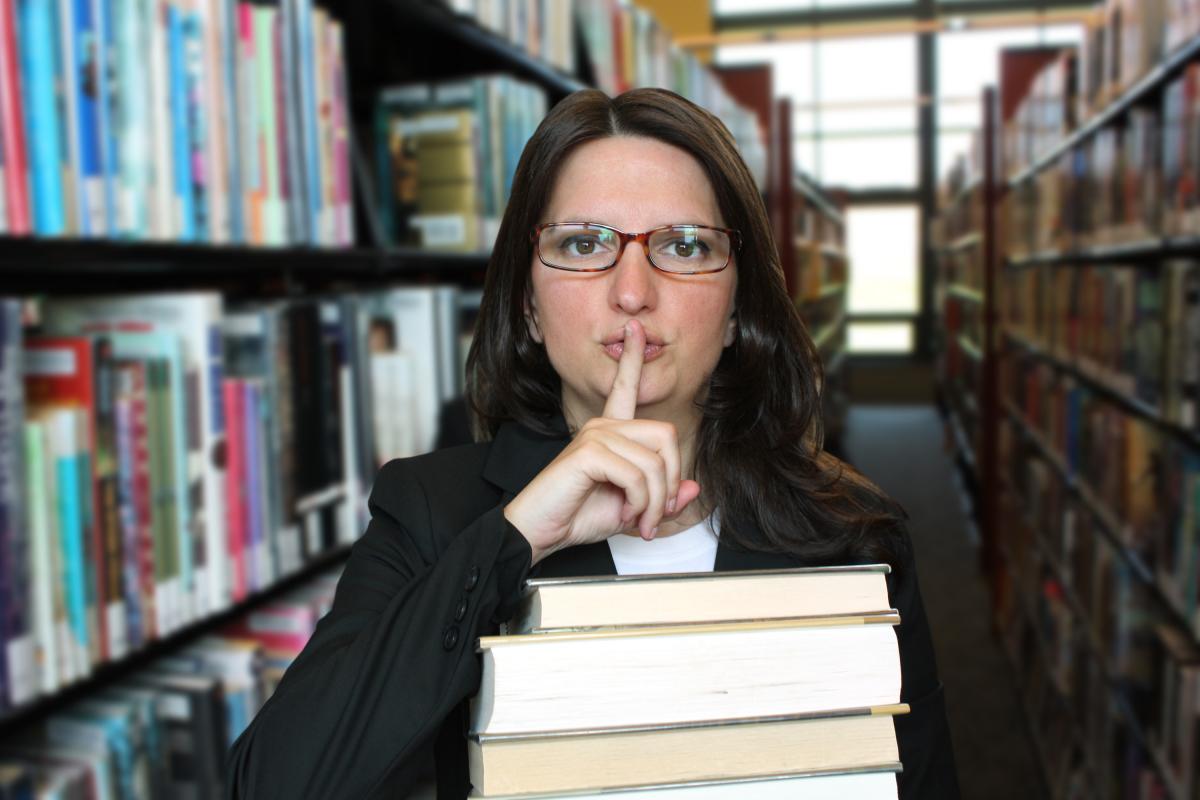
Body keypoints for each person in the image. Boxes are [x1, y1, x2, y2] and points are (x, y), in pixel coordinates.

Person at [226, 87, 961, 799]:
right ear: (530, 307)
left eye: (683, 244)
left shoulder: (853, 531)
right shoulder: (431, 511)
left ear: (738, 309)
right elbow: (271, 784)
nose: (633, 291)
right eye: (583, 243)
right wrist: (515, 540)